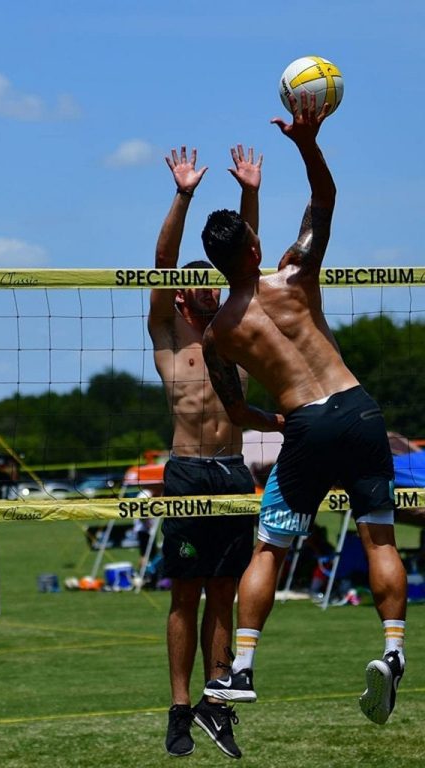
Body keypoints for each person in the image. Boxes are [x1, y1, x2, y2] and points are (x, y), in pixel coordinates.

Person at [199, 92, 408, 726]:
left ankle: (241, 670)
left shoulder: (218, 336)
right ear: (257, 247)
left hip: (307, 427)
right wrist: (307, 143)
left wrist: (276, 422)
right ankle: (394, 651)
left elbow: (235, 414)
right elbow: (324, 202)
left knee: (269, 551)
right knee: (379, 534)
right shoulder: (295, 276)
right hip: (359, 408)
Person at [149, 144, 273, 759]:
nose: (203, 284)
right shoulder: (170, 337)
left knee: (224, 594)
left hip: (230, 473)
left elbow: (246, 256)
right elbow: (163, 258)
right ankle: (178, 707)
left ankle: (216, 705)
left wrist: (249, 193)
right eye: (192, 282)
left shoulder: (233, 324)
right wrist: (184, 193)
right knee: (185, 595)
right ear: (179, 296)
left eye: (208, 278)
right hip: (186, 471)